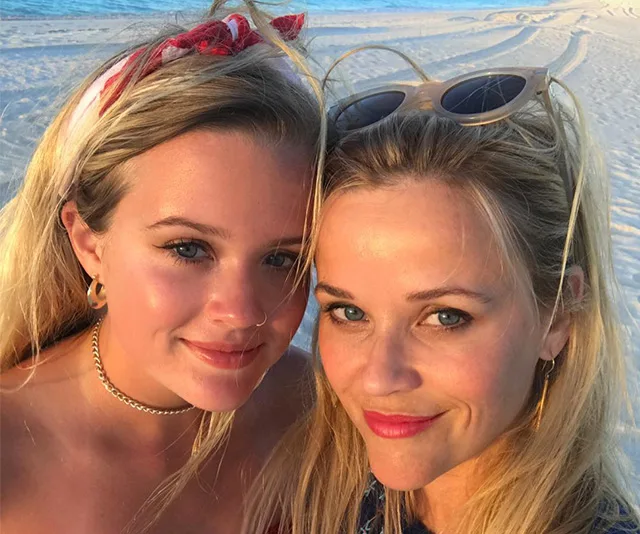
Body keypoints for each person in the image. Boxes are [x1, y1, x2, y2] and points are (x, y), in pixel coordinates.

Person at [245, 52, 639, 534]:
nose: (379, 379)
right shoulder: (316, 491)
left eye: (445, 316)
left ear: (557, 317)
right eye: (349, 312)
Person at [0, 3, 323, 533]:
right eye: (188, 249)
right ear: (89, 243)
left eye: (281, 258)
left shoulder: (327, 413)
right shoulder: (12, 457)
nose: (241, 312)